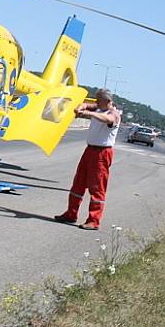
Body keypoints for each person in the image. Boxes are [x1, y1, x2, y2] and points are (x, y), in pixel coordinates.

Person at [54, 87, 122, 230]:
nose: (96, 101)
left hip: (102, 154)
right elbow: (86, 104)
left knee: (97, 188)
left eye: (99, 99)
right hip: (90, 150)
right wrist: (81, 107)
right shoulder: (99, 107)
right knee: (78, 182)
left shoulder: (113, 114)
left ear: (108, 101)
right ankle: (71, 213)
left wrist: (88, 113)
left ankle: (94, 220)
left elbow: (108, 119)